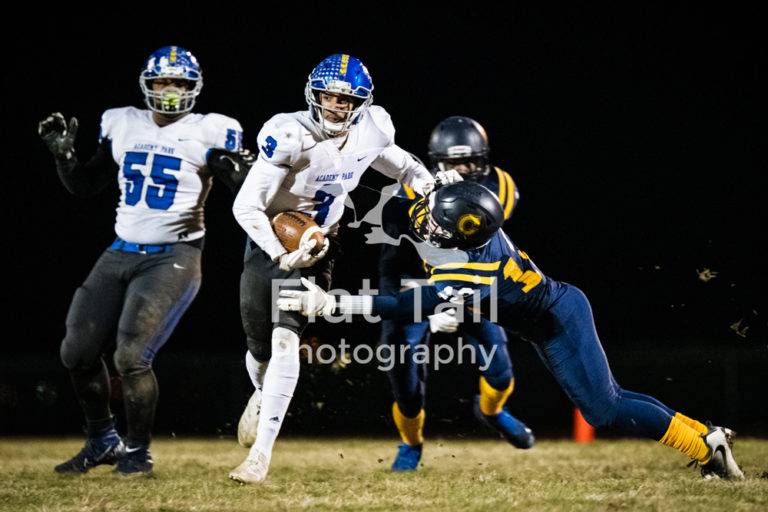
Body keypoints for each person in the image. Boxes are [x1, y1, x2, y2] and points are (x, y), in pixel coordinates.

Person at [278, 180, 746, 481]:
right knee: (613, 397)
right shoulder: (461, 217)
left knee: (604, 409)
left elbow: (403, 305)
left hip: (556, 320)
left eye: (437, 220)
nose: (426, 219)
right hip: (544, 314)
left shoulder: (470, 269)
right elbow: (382, 200)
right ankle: (707, 436)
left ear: (460, 234)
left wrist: (331, 303)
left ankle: (706, 448)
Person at [228, 53, 461, 484]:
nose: (337, 106)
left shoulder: (373, 128)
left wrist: (431, 188)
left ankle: (261, 455)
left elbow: (404, 166)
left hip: (320, 243)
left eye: (348, 99)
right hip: (270, 239)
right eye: (329, 96)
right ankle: (261, 393)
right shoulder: (288, 134)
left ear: (361, 103)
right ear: (313, 95)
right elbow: (246, 207)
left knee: (285, 339)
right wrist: (281, 254)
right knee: (258, 348)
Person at [38, 45, 251, 476]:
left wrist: (244, 177)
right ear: (146, 84)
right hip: (120, 250)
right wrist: (65, 158)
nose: (169, 90)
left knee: (131, 356)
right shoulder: (122, 121)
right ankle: (102, 440)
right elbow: (86, 185)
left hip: (174, 255)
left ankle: (137, 452)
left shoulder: (212, 130)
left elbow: (239, 189)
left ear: (194, 87)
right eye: (162, 81)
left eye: (179, 82)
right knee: (76, 352)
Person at [378, 116, 532, 472]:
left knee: (500, 369)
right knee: (403, 375)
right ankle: (411, 443)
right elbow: (395, 264)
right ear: (437, 164)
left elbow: (487, 253)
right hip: (414, 281)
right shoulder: (408, 197)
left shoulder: (500, 186)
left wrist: (458, 298)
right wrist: (433, 304)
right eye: (452, 163)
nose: (461, 171)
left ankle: (491, 411)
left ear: (483, 159)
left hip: (473, 281)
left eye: (469, 162)